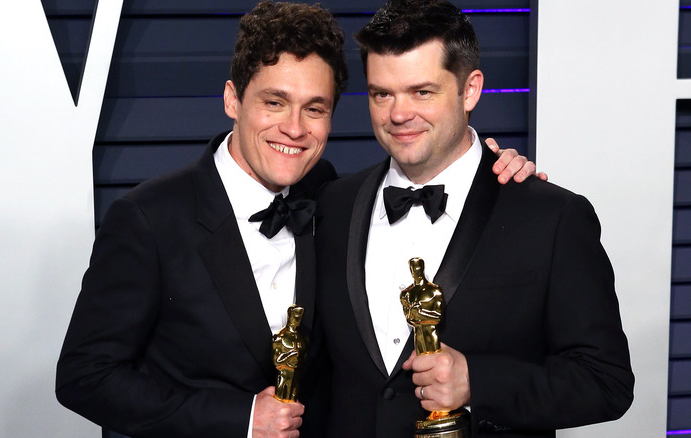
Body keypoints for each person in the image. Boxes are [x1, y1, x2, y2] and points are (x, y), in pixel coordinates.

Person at [55, 1, 535, 437]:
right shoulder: (147, 219)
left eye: (315, 109)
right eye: (274, 102)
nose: (294, 128)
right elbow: (83, 377)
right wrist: (239, 420)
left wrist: (486, 171)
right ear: (232, 99)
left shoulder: (326, 193)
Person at [311, 0, 635, 437]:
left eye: (422, 92)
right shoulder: (334, 203)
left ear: (471, 90)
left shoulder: (551, 217)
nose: (398, 113)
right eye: (381, 94)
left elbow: (607, 382)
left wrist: (478, 383)